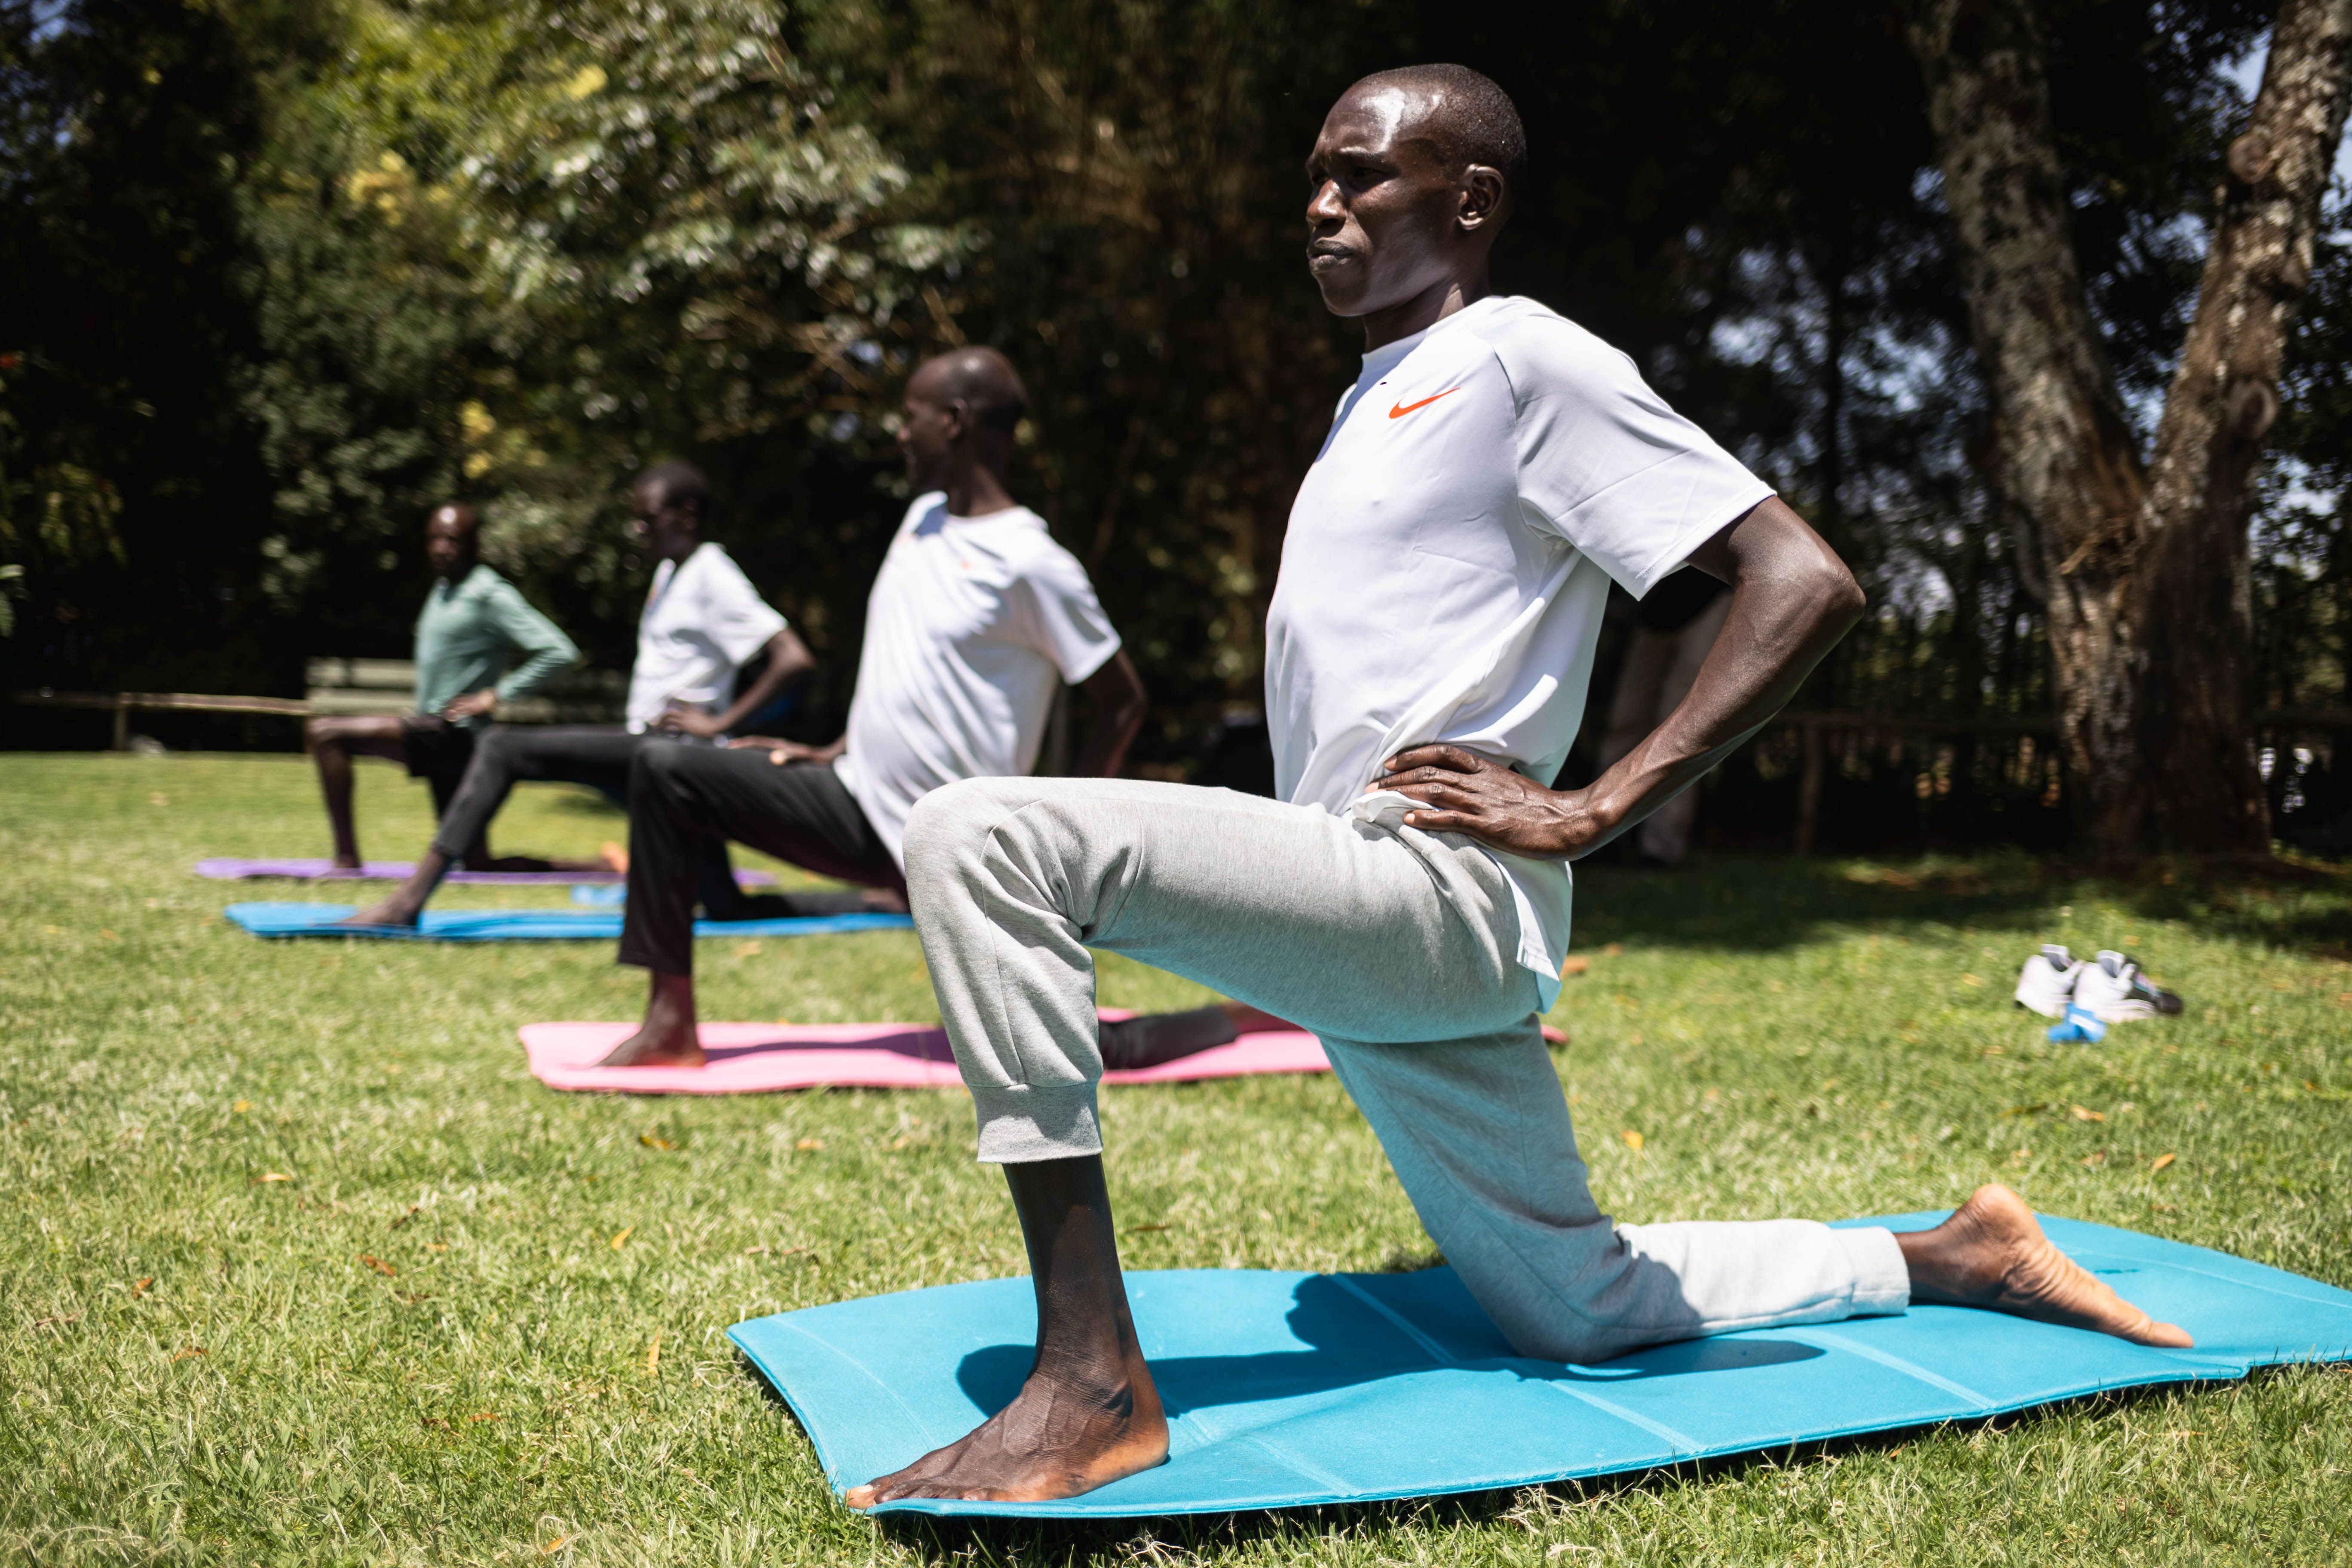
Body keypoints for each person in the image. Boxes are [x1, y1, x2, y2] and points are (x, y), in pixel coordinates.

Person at [844, 66, 2192, 1509]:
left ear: (1470, 201)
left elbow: (1801, 579)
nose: (1321, 201)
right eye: (1316, 172)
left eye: (1362, 174)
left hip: (1432, 891)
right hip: (1366, 904)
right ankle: (1953, 1252)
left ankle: (1090, 1381)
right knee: (1578, 1304)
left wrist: (1598, 801)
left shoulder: (1521, 358)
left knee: (979, 829)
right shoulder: (1373, 398)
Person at [596, 347, 1152, 1068]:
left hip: (954, 843)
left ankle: (1199, 1022)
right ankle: (669, 1024)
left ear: (952, 423)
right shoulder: (921, 519)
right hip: (857, 803)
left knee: (1060, 1046)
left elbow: (1123, 701)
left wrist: (1058, 836)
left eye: (909, 418)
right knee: (666, 768)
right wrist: (834, 748)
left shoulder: (1030, 561)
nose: (898, 434)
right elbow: (908, 667)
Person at [340, 462, 818, 927]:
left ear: (687, 514)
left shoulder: (713, 572)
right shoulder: (672, 573)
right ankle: (881, 898)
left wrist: (717, 725)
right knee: (726, 905)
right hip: (656, 762)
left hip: (675, 755)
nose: (638, 530)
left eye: (648, 519)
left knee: (502, 747)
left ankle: (407, 902)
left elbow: (793, 659)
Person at [306, 503, 578, 870]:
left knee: (327, 735)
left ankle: (346, 860)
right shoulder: (443, 589)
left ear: (473, 543)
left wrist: (494, 697)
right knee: (476, 862)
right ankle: (601, 865)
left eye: (451, 540)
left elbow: (560, 651)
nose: (439, 548)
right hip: (439, 734)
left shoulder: (489, 593)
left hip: (453, 734)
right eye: (433, 539)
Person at [1596, 568, 1732, 866]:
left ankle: (1660, 849)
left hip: (1708, 604)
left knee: (1680, 730)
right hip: (1650, 615)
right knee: (1625, 721)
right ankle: (1601, 835)